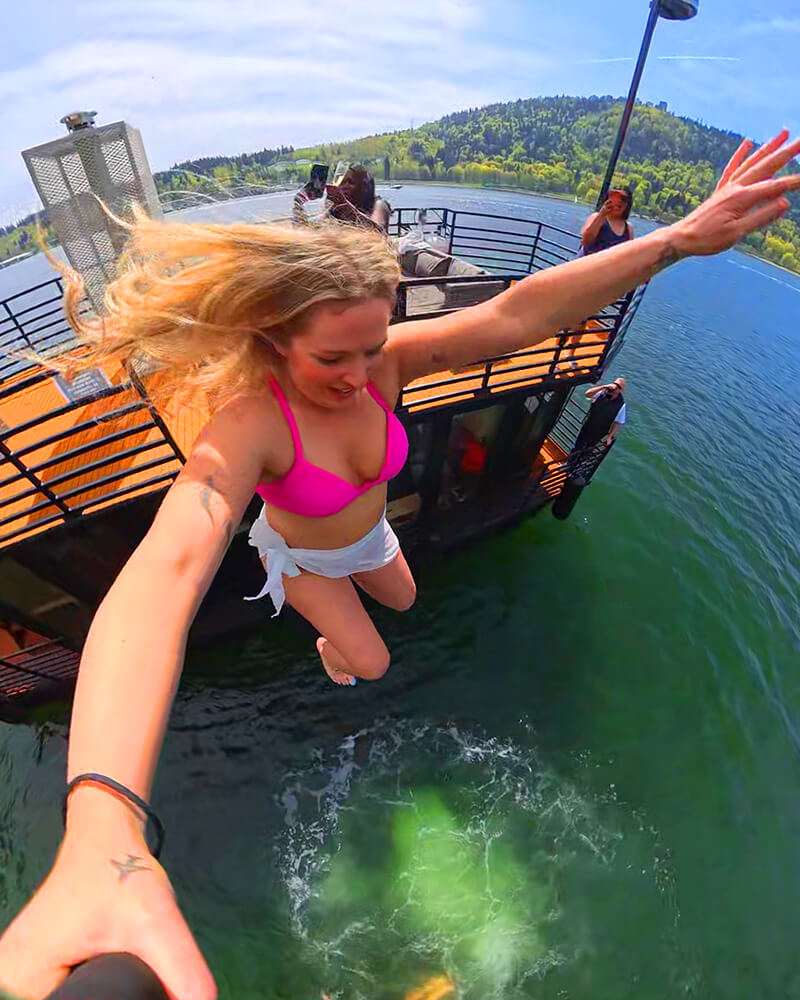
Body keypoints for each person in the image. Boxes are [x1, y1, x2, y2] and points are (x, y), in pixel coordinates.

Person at [1, 131, 798, 1000]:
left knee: (407, 598)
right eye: (328, 358)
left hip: (372, 541)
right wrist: (102, 818)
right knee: (371, 659)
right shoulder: (250, 425)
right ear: (273, 341)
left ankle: (337, 604)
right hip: (306, 554)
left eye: (369, 347)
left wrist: (675, 240)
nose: (354, 375)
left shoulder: (385, 365)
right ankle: (307, 604)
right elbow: (162, 576)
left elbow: (518, 314)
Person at [561, 187, 635, 368]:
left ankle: (569, 354)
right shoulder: (596, 218)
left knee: (584, 318)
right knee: (568, 316)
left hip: (601, 282)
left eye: (622, 200)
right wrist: (602, 215)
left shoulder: (628, 229)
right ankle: (556, 354)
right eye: (612, 197)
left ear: (627, 204)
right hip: (581, 274)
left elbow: (629, 255)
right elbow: (586, 240)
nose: (617, 202)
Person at [293, 164, 391, 233]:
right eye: (342, 182)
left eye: (350, 182)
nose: (344, 186)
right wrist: (298, 205)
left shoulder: (379, 204)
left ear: (363, 185)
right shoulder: (335, 207)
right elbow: (315, 225)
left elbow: (378, 233)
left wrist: (346, 207)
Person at [573, 377, 627, 453]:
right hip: (588, 425)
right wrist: (604, 386)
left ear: (621, 390)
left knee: (588, 450)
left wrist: (610, 437)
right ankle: (570, 462)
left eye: (618, 386)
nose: (614, 387)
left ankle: (578, 463)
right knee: (577, 446)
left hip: (600, 431)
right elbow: (587, 394)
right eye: (614, 384)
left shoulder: (621, 405)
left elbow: (617, 422)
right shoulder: (601, 393)